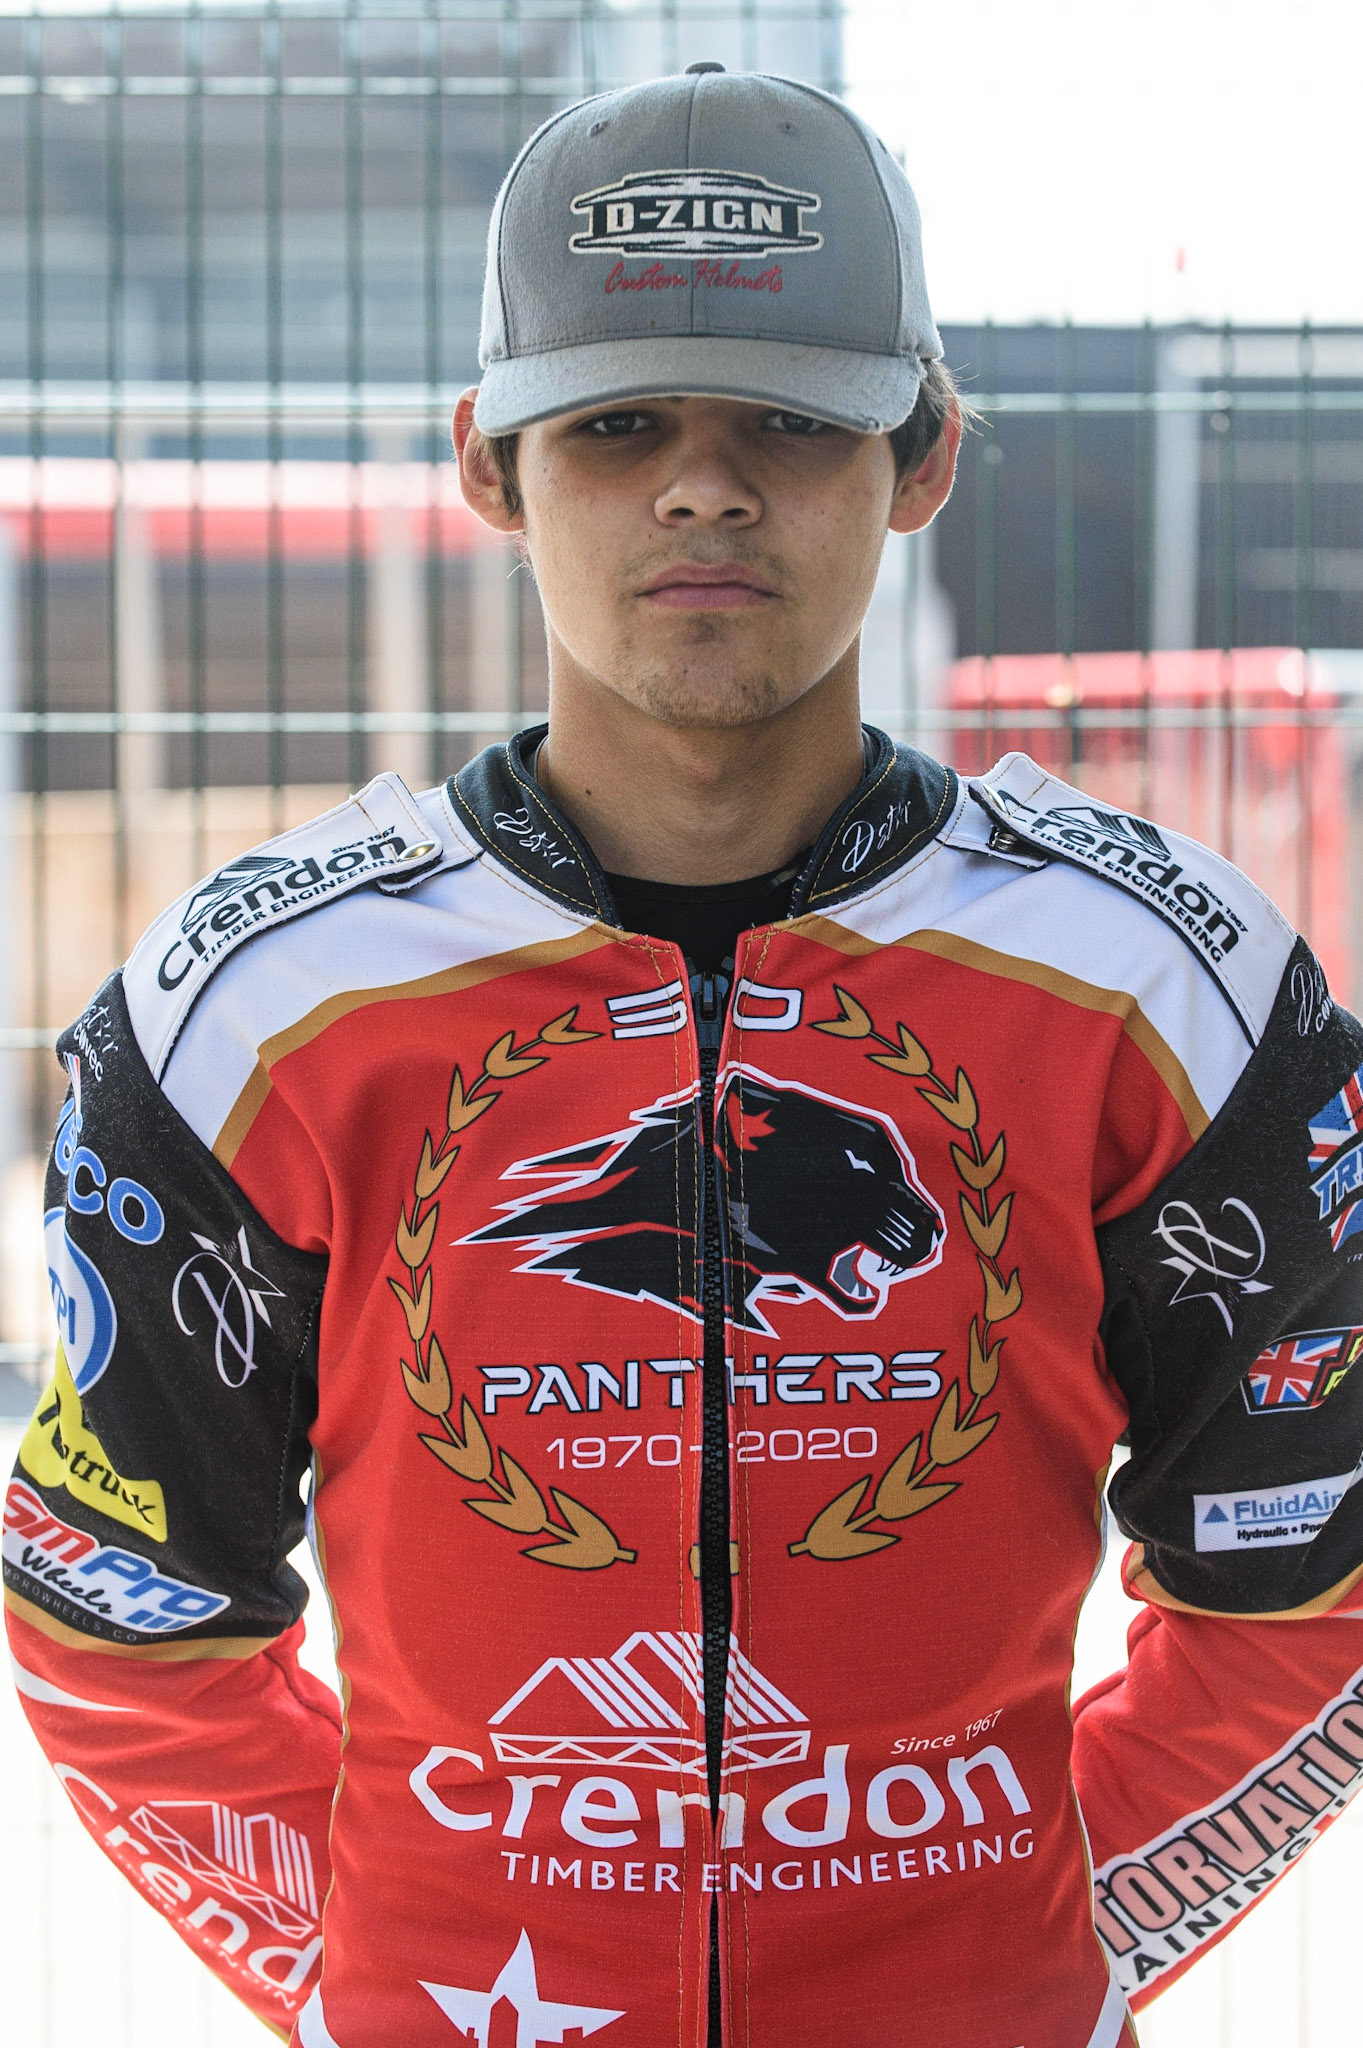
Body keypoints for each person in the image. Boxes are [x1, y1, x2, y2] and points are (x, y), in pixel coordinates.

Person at [6, 61, 1363, 2048]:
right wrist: (415, 1987)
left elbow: (1304, 1601)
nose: (703, 488)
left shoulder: (1178, 985)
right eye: (620, 420)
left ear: (922, 457)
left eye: (791, 427)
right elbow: (122, 1630)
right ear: (487, 459)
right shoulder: (249, 1007)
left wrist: (1036, 1953)